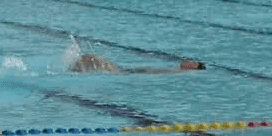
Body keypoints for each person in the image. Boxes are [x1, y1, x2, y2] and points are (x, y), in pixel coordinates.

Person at [69, 53, 205, 74]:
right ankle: (74, 73)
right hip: (128, 71)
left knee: (92, 58)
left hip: (126, 73)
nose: (188, 61)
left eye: (193, 62)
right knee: (89, 58)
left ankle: (72, 73)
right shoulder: (175, 70)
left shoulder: (177, 72)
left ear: (193, 68)